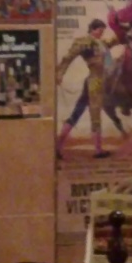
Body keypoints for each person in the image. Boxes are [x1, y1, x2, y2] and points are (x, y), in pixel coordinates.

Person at [55, 19, 116, 159]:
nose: (101, 33)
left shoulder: (102, 43)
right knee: (95, 112)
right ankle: (98, 150)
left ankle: (58, 146)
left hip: (98, 81)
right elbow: (68, 57)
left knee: (78, 112)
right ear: (92, 29)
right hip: (94, 81)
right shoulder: (84, 42)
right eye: (100, 30)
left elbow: (114, 40)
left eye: (103, 31)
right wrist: (60, 74)